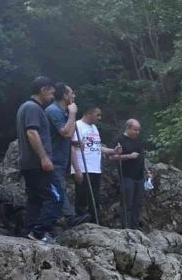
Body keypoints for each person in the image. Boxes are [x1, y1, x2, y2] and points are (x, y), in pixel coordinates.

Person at [16, 76, 60, 243]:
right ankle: (39, 232)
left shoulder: (25, 107)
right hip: (37, 163)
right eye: (51, 93)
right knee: (54, 198)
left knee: (35, 199)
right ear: (43, 90)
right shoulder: (33, 108)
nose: (52, 97)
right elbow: (32, 133)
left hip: (28, 164)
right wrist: (44, 158)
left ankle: (29, 232)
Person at [44, 82, 87, 227]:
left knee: (57, 189)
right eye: (72, 93)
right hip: (53, 158)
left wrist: (73, 143)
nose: (74, 96)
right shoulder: (53, 110)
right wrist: (73, 113)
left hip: (61, 158)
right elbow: (67, 132)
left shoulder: (63, 112)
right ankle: (69, 218)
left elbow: (64, 136)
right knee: (58, 189)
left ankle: (60, 221)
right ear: (64, 95)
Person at [70, 104, 121, 223]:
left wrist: (113, 151)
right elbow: (72, 147)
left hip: (95, 168)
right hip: (82, 166)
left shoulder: (94, 128)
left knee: (95, 197)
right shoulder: (77, 126)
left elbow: (97, 147)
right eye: (97, 115)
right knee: (82, 195)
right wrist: (76, 169)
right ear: (89, 113)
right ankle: (80, 220)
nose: (99, 118)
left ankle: (94, 221)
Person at [111, 119, 152, 229]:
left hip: (139, 176)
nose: (137, 132)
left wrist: (146, 171)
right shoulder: (119, 140)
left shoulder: (137, 141)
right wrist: (128, 156)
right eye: (135, 130)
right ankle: (126, 228)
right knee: (127, 204)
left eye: (138, 130)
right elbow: (112, 157)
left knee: (137, 204)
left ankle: (135, 227)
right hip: (126, 176)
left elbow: (141, 157)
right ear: (128, 128)